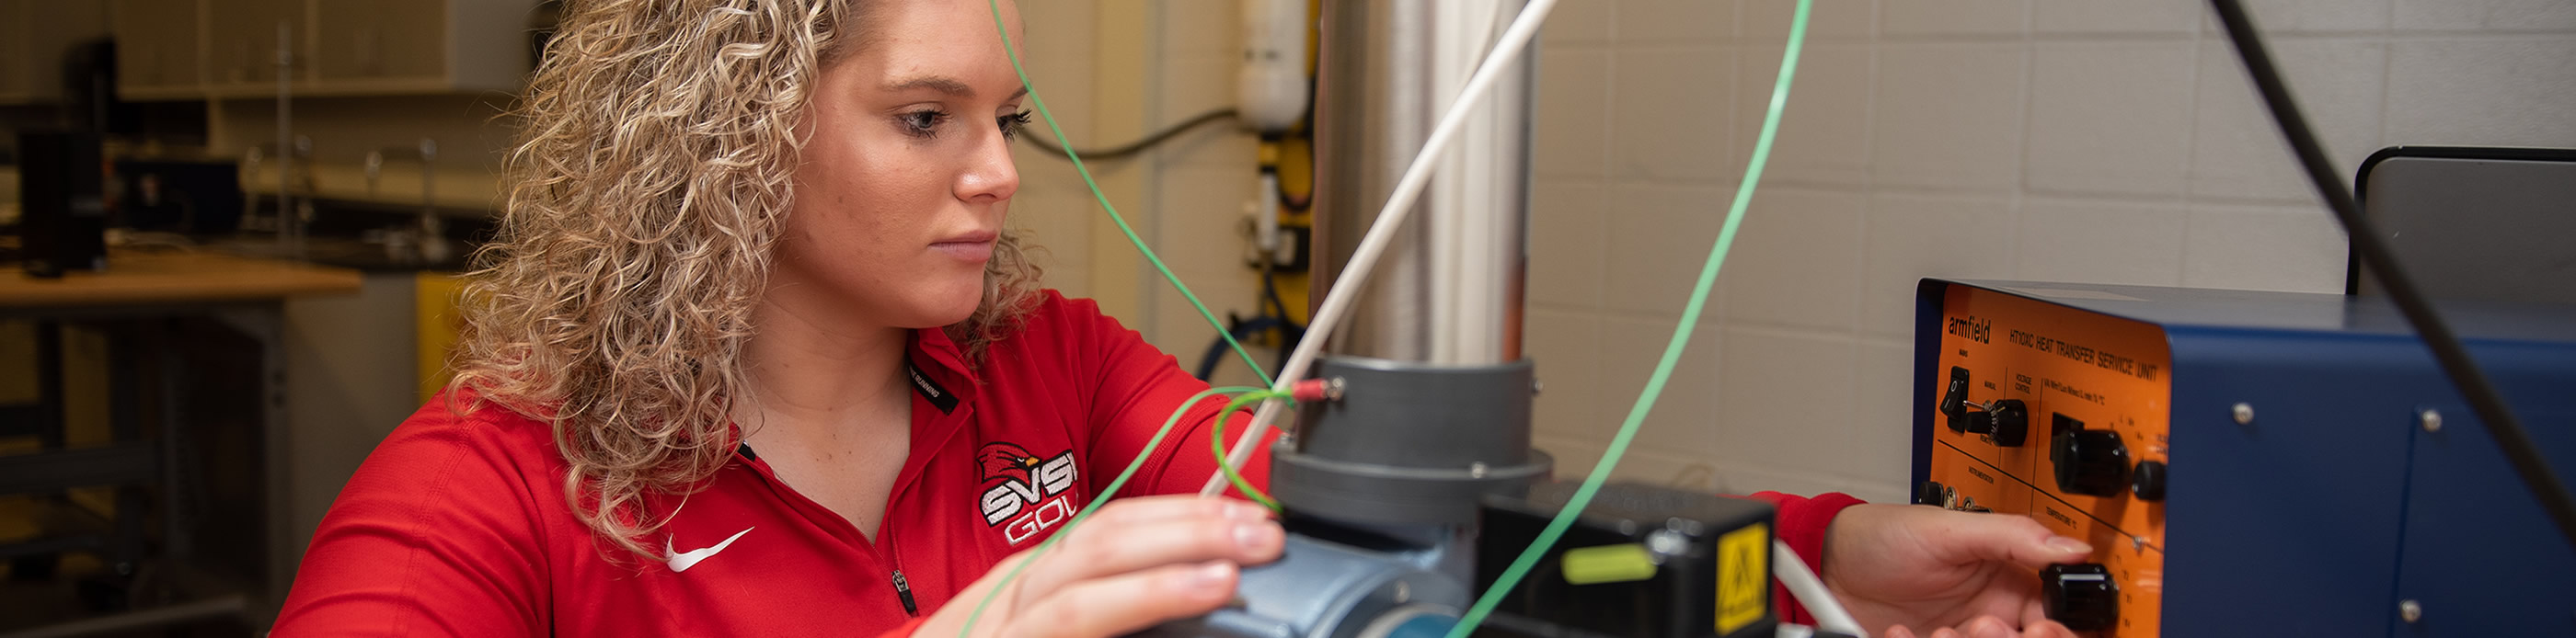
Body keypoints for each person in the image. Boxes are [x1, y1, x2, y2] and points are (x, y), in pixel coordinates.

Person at [271, 1, 2084, 636]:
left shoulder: (1055, 380)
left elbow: (1423, 535)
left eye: (1006, 121)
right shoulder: (494, 487)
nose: (996, 173)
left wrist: (1829, 548)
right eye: (926, 120)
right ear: (731, 145)